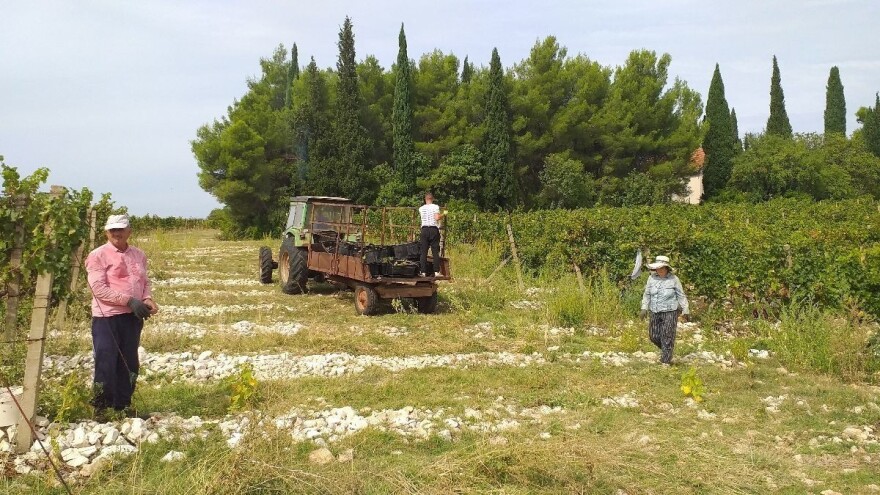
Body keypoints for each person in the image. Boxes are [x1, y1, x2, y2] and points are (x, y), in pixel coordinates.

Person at [85, 214, 159, 418]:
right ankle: (101, 408)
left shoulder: (139, 255)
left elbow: (144, 282)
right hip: (107, 316)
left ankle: (123, 405)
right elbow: (97, 288)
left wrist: (147, 299)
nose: (116, 233)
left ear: (129, 231)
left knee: (129, 361)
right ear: (106, 232)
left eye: (120, 229)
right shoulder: (97, 255)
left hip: (132, 317)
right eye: (112, 230)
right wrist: (128, 300)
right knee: (106, 360)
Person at [640, 255, 689, 364]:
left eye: (662, 268)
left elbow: (681, 295)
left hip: (670, 311)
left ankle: (665, 361)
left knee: (667, 334)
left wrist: (686, 310)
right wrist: (644, 308)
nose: (659, 270)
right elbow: (647, 294)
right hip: (655, 310)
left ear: (666, 268)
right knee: (653, 336)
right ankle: (667, 350)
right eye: (658, 268)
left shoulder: (674, 279)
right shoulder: (651, 278)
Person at [418, 192, 446, 277]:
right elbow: (437, 218)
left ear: (425, 199)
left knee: (423, 252)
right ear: (432, 199)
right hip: (433, 229)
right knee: (435, 251)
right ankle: (436, 272)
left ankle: (423, 272)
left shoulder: (421, 208)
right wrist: (444, 214)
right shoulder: (435, 207)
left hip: (424, 230)